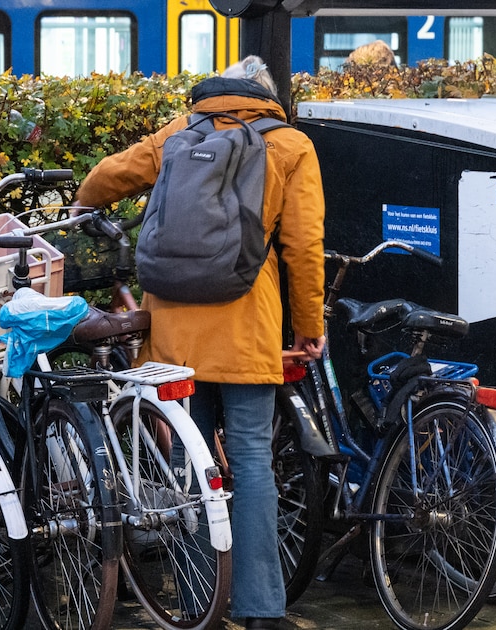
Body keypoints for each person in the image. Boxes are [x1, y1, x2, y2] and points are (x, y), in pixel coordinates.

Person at [73, 55, 326, 630]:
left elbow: (106, 177)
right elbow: (303, 248)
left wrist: (86, 205)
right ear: (267, 97)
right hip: (245, 327)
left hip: (174, 332)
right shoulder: (290, 145)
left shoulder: (179, 133)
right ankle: (262, 609)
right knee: (253, 463)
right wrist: (309, 324)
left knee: (189, 464)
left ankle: (196, 599)